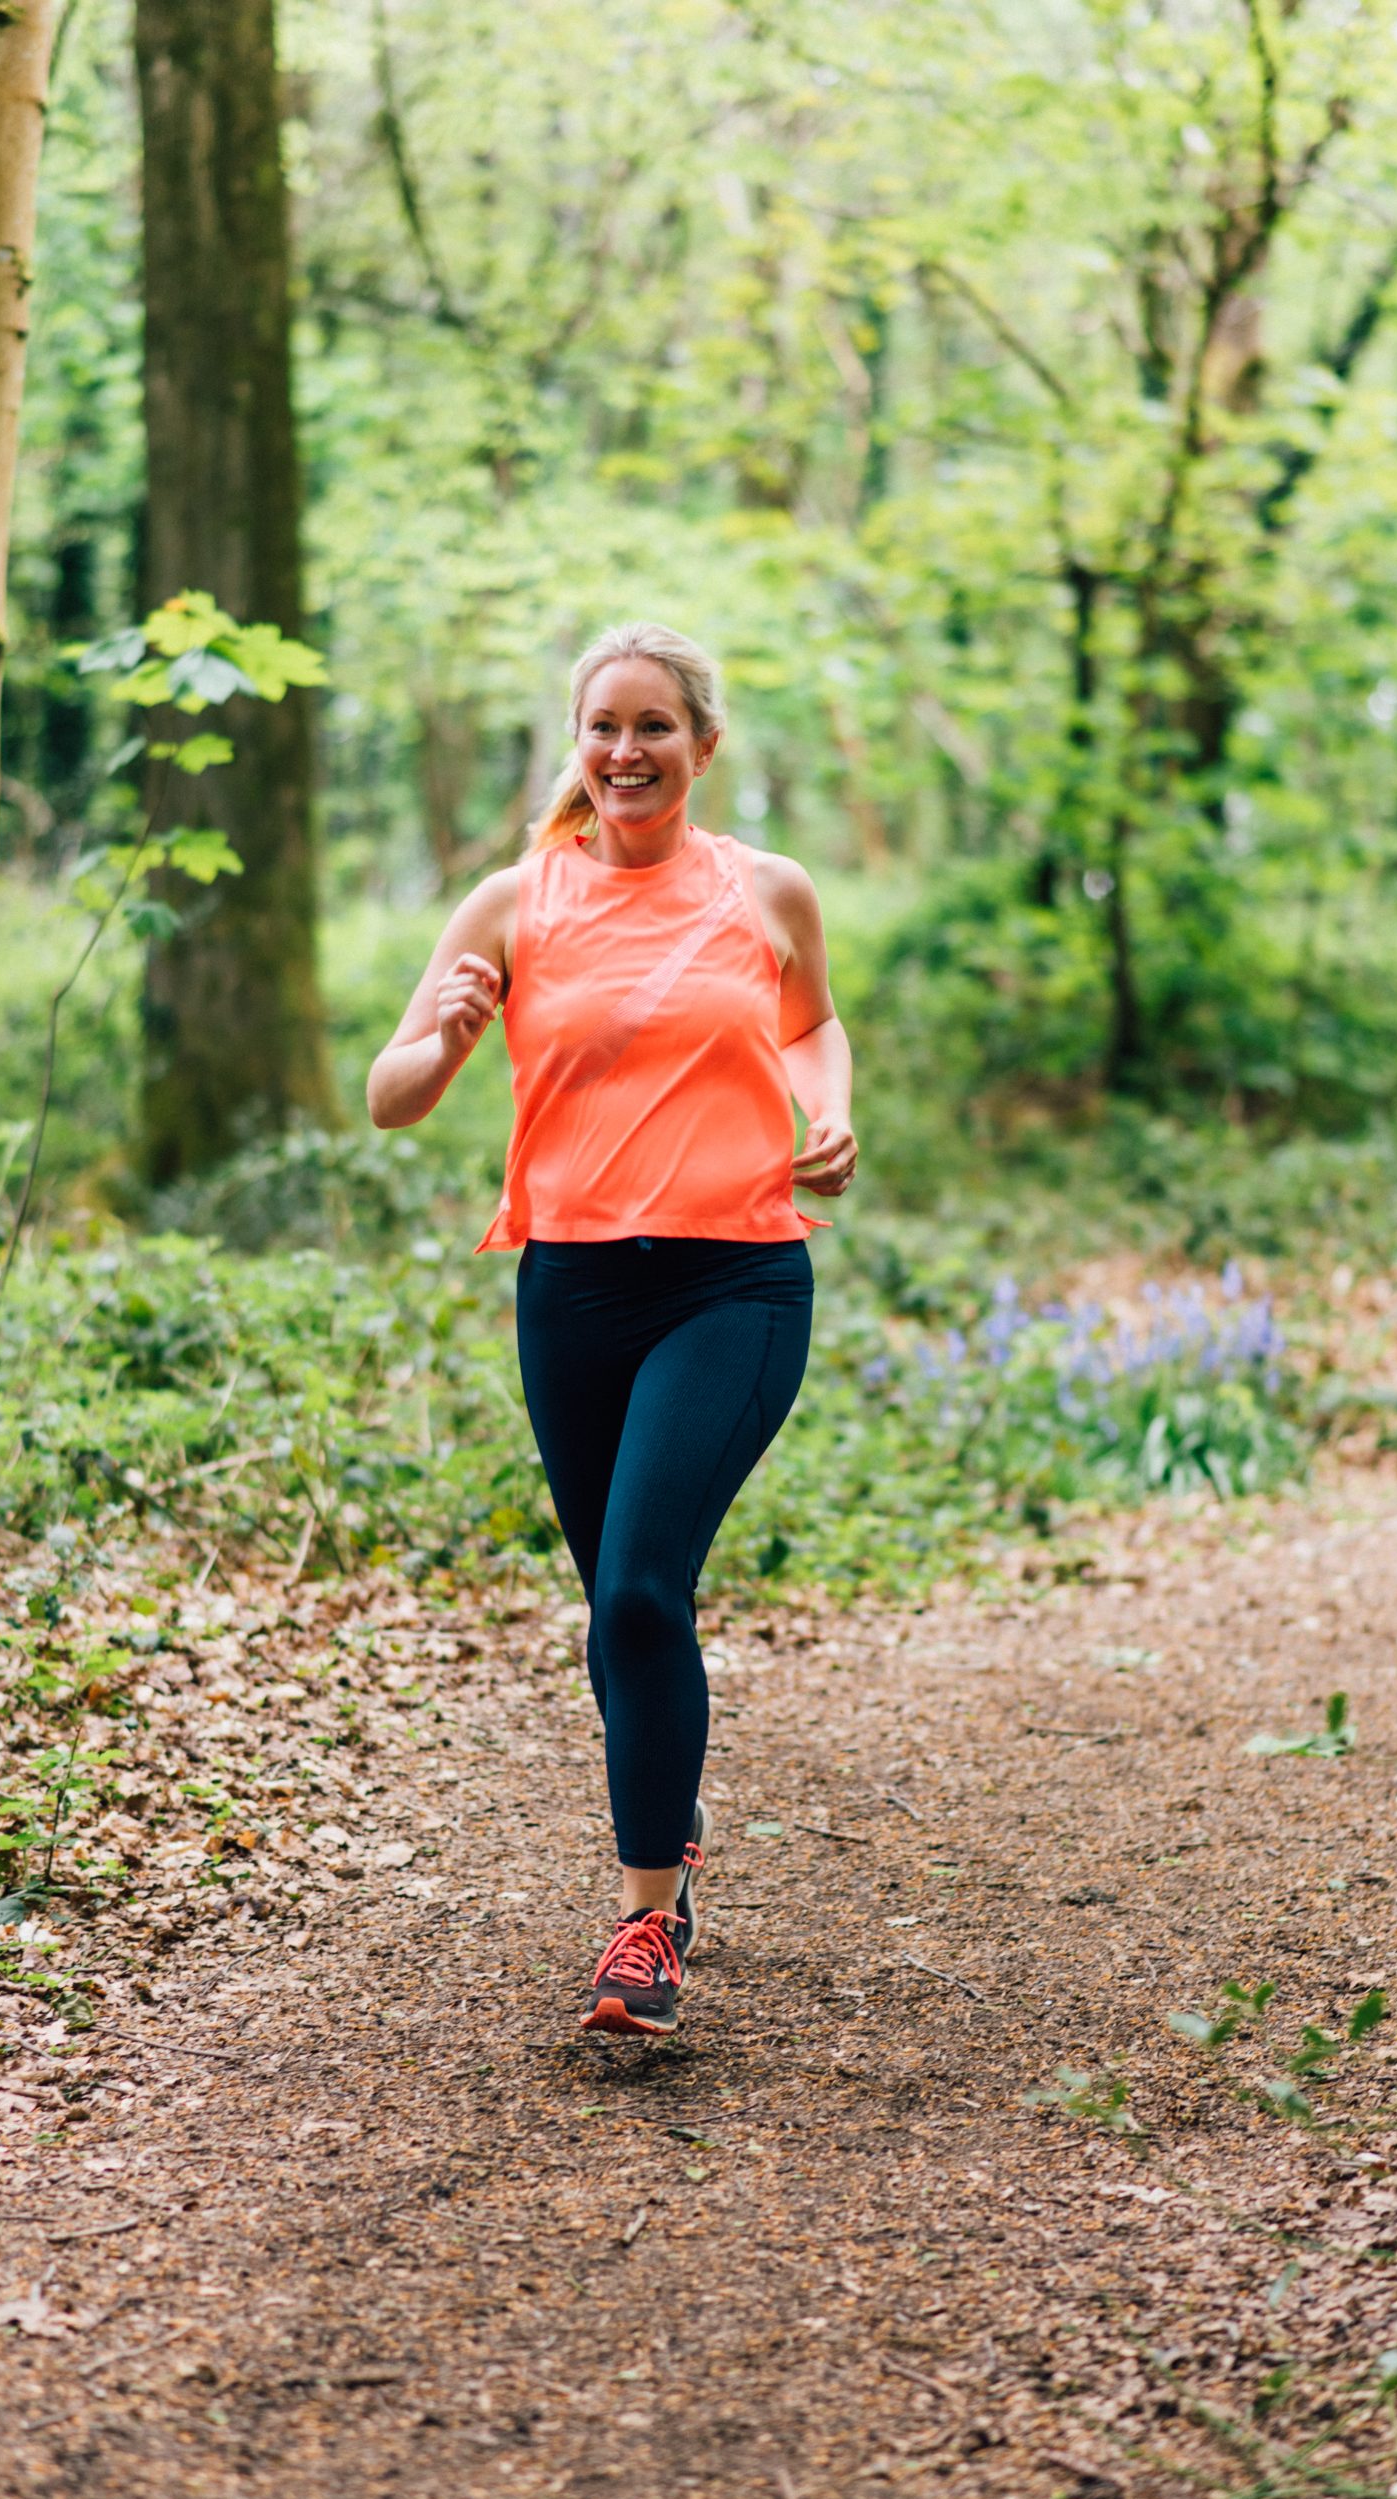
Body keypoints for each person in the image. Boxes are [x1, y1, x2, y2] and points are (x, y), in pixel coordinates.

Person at [367, 622, 856, 2034]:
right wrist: (450, 1039)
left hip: (734, 1279)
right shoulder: (513, 904)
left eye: (653, 726)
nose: (625, 752)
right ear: (575, 745)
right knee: (617, 1615)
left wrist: (828, 1111)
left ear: (702, 746)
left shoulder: (766, 891)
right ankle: (670, 1802)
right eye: (602, 727)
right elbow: (390, 1095)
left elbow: (812, 1026)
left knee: (641, 1591)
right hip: (570, 1287)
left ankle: (644, 1925)